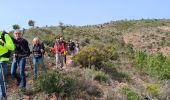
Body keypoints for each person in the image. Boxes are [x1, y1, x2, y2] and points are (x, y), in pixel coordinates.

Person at [0, 31, 15, 99]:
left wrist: (3, 44)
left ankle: (3, 96)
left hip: (3, 60)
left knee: (1, 80)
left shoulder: (4, 35)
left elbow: (12, 47)